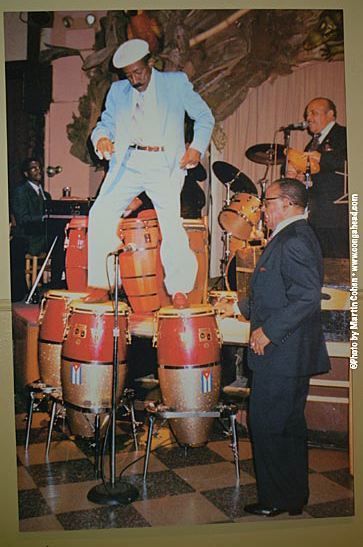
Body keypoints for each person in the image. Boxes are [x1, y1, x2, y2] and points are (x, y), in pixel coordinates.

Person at [216, 178, 330, 517]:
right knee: (287, 427)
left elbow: (307, 296)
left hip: (281, 353)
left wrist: (268, 332)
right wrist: (238, 307)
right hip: (290, 354)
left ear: (289, 204)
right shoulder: (293, 237)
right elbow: (275, 292)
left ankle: (276, 500)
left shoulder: (294, 239)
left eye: (268, 202)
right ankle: (293, 497)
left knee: (267, 426)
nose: (262, 209)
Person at [85, 38, 214, 306]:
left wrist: (197, 148)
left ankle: (179, 289)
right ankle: (101, 283)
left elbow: (204, 117)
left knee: (170, 224)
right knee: (99, 214)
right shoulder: (117, 90)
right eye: (128, 75)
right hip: (127, 163)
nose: (134, 79)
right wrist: (101, 140)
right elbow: (104, 124)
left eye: (138, 72)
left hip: (162, 164)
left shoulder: (175, 83)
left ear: (150, 63)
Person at [287, 97, 348, 258]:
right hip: (317, 215)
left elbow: (352, 160)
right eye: (307, 114)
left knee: (341, 265)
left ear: (331, 114)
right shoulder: (312, 144)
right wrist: (300, 177)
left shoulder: (345, 134)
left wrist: (321, 158)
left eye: (314, 113)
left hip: (337, 216)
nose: (308, 118)